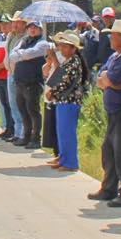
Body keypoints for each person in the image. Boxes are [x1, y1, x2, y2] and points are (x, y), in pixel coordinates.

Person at [90, 19, 121, 206]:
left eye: (114, 34)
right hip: (113, 112)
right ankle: (109, 187)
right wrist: (108, 81)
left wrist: (108, 81)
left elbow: (112, 78)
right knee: (109, 150)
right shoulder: (115, 57)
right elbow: (100, 77)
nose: (110, 38)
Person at [43, 31, 89, 171]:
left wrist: (53, 91)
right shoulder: (69, 61)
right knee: (61, 131)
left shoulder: (74, 62)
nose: (61, 49)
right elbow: (59, 76)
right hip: (63, 101)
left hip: (70, 101)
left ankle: (70, 163)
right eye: (60, 46)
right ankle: (63, 158)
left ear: (73, 48)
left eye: (65, 46)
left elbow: (65, 82)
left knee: (67, 132)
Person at [8, 20, 53, 149]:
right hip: (20, 81)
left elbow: (31, 54)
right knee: (23, 110)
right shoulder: (24, 41)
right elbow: (12, 55)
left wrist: (21, 54)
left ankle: (35, 139)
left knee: (33, 111)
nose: (32, 29)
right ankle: (26, 136)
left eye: (35, 27)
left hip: (33, 82)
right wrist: (23, 55)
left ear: (40, 30)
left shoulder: (43, 43)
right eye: (30, 27)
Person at [1, 13, 27, 142]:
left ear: (24, 24)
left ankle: (23, 133)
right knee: (12, 103)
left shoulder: (26, 38)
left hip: (19, 74)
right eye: (13, 21)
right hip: (10, 73)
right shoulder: (11, 36)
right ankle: (17, 132)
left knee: (21, 104)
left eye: (18, 22)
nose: (14, 24)